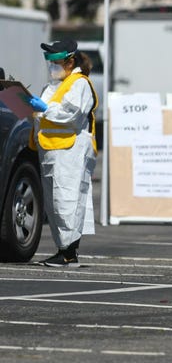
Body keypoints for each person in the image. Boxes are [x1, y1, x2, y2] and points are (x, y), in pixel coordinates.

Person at [28, 39, 98, 267]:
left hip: (71, 150)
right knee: (54, 203)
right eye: (50, 63)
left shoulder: (80, 84)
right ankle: (63, 250)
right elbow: (42, 114)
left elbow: (71, 114)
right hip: (51, 149)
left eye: (56, 62)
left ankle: (69, 252)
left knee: (68, 199)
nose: (52, 67)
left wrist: (44, 108)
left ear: (70, 61)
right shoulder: (51, 86)